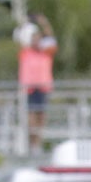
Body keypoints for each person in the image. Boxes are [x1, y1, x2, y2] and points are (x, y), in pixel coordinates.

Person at [18, 14, 57, 152]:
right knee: (31, 117)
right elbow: (21, 37)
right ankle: (32, 144)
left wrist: (44, 23)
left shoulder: (46, 53)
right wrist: (25, 23)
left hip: (43, 87)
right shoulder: (26, 52)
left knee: (41, 117)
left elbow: (51, 39)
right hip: (30, 88)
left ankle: (37, 145)